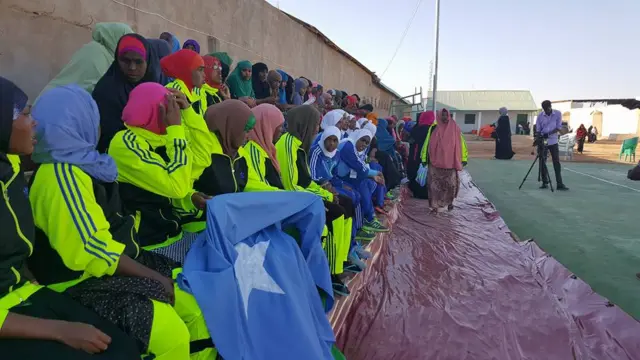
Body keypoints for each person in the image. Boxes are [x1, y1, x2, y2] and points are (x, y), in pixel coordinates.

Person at [28, 84, 215, 359]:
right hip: (80, 282)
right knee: (169, 333)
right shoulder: (60, 174)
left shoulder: (86, 164)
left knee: (197, 302)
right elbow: (91, 250)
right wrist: (154, 278)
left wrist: (186, 118)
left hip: (115, 265)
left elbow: (201, 160)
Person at [0, 77, 140, 359]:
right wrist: (60, 330)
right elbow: (89, 249)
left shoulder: (10, 171)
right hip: (11, 312)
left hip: (21, 293)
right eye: (26, 114)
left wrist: (25, 278)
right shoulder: (57, 175)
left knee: (122, 348)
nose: (35, 123)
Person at [275, 105, 354, 296]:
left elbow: (307, 181)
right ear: (305, 124)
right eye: (315, 125)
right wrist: (324, 196)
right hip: (293, 201)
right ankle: (331, 272)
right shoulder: (288, 144)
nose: (317, 130)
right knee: (336, 213)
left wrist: (326, 193)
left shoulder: (299, 146)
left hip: (304, 196)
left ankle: (342, 259)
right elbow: (291, 186)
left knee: (347, 203)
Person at [93, 33, 165, 152]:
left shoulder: (157, 87)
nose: (132, 67)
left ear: (148, 61)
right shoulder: (107, 92)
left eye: (138, 62)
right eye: (125, 61)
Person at [36, 23, 133, 100]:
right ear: (116, 38)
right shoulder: (98, 53)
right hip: (60, 106)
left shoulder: (96, 50)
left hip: (52, 99)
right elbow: (95, 88)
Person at [193, 100, 255, 197]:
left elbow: (251, 184)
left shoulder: (240, 154)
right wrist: (191, 199)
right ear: (231, 127)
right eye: (246, 130)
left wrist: (279, 194)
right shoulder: (203, 150)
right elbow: (181, 188)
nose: (249, 137)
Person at [336, 128, 388, 233]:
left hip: (347, 177)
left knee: (369, 182)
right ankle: (368, 220)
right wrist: (374, 174)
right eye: (363, 140)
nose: (364, 144)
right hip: (337, 180)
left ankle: (372, 213)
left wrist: (373, 175)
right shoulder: (347, 145)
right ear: (357, 137)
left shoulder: (356, 148)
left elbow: (360, 167)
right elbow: (359, 167)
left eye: (367, 143)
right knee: (361, 185)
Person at [419, 109, 469, 211]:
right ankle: (435, 206)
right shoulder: (433, 128)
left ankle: (449, 203)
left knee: (450, 185)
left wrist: (463, 158)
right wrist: (424, 158)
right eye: (443, 115)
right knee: (434, 186)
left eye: (446, 115)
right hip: (435, 163)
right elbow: (427, 144)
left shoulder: (455, 128)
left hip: (450, 163)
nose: (445, 117)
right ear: (438, 116)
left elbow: (461, 144)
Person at [245, 104, 286, 192]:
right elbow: (262, 190)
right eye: (279, 126)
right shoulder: (254, 151)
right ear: (267, 126)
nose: (281, 130)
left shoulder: (267, 149)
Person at [536, 100, 569, 190]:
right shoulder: (540, 116)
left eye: (548, 109)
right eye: (545, 110)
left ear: (550, 107)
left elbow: (558, 128)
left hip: (553, 141)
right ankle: (545, 182)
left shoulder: (558, 114)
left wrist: (549, 134)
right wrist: (538, 138)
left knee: (556, 162)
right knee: (542, 161)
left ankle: (559, 183)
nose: (546, 111)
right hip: (544, 141)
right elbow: (538, 129)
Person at [408, 111, 435, 199]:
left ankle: (416, 192)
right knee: (426, 173)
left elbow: (411, 140)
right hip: (426, 155)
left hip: (414, 155)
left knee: (416, 172)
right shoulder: (432, 129)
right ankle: (426, 193)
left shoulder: (416, 128)